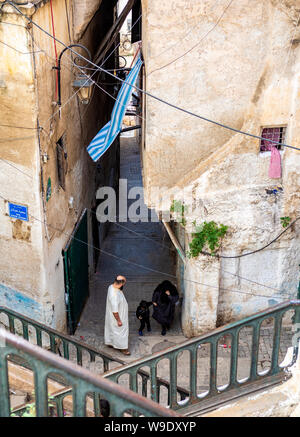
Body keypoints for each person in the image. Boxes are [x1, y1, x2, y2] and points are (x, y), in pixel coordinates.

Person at [104, 275, 130, 355]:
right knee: (121, 332)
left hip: (111, 316)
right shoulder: (114, 295)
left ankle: (110, 342)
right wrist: (119, 320)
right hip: (118, 316)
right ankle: (123, 348)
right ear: (121, 283)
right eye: (124, 283)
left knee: (111, 329)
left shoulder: (111, 286)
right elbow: (115, 311)